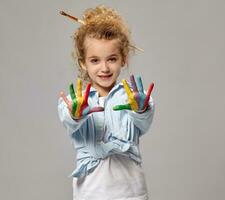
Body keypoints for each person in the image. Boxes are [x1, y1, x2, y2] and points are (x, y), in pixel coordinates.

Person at [57, 5, 155, 200]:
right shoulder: (73, 102)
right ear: (83, 63)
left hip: (131, 193)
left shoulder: (134, 97)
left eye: (111, 59)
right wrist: (75, 113)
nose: (104, 68)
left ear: (123, 59)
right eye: (95, 60)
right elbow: (68, 120)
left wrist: (142, 108)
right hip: (89, 193)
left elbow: (144, 124)